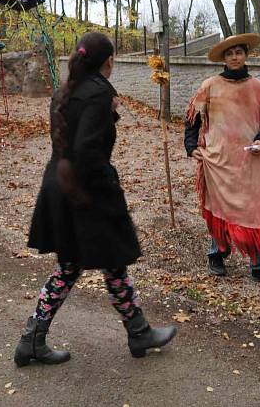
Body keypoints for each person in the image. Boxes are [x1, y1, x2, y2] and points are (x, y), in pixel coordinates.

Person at [14, 32, 177, 366]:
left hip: (61, 184)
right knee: (87, 262)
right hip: (84, 192)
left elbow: (71, 138)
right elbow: (87, 150)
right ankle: (135, 331)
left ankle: (135, 330)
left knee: (96, 263)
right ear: (109, 61)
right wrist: (106, 191)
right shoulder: (97, 95)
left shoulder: (64, 92)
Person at [184, 33, 260, 289]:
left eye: (238, 52)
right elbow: (193, 117)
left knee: (255, 211)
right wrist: (191, 145)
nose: (235, 57)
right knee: (219, 209)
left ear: (246, 55)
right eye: (229, 54)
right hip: (218, 160)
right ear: (224, 59)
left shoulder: (259, 89)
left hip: (250, 161)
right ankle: (216, 255)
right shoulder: (210, 85)